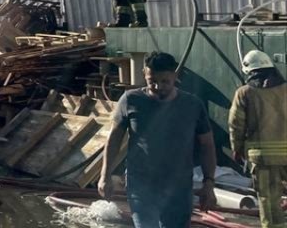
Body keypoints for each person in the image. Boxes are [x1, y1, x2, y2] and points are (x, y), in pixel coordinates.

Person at [100, 51, 217, 228]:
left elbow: (207, 145)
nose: (158, 86)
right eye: (152, 81)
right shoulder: (131, 100)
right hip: (141, 186)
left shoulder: (192, 105)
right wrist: (105, 175)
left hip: (179, 187)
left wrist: (209, 183)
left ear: (175, 76)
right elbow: (114, 139)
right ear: (144, 74)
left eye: (165, 81)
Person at [229, 50, 287, 228]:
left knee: (269, 205)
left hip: (262, 158)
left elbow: (235, 124)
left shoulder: (244, 93)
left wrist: (236, 148)